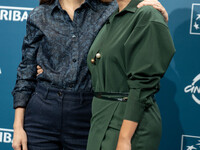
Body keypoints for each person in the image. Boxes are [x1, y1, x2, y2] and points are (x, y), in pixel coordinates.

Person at [11, 0, 169, 150]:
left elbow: (136, 19)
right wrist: (18, 126)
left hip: (88, 112)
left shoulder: (108, 10)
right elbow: (26, 69)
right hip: (42, 111)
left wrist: (152, 8)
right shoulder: (39, 15)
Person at [86, 0, 175, 150]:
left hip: (128, 123)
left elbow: (143, 85)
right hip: (100, 120)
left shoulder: (147, 15)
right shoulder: (114, 15)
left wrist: (125, 138)